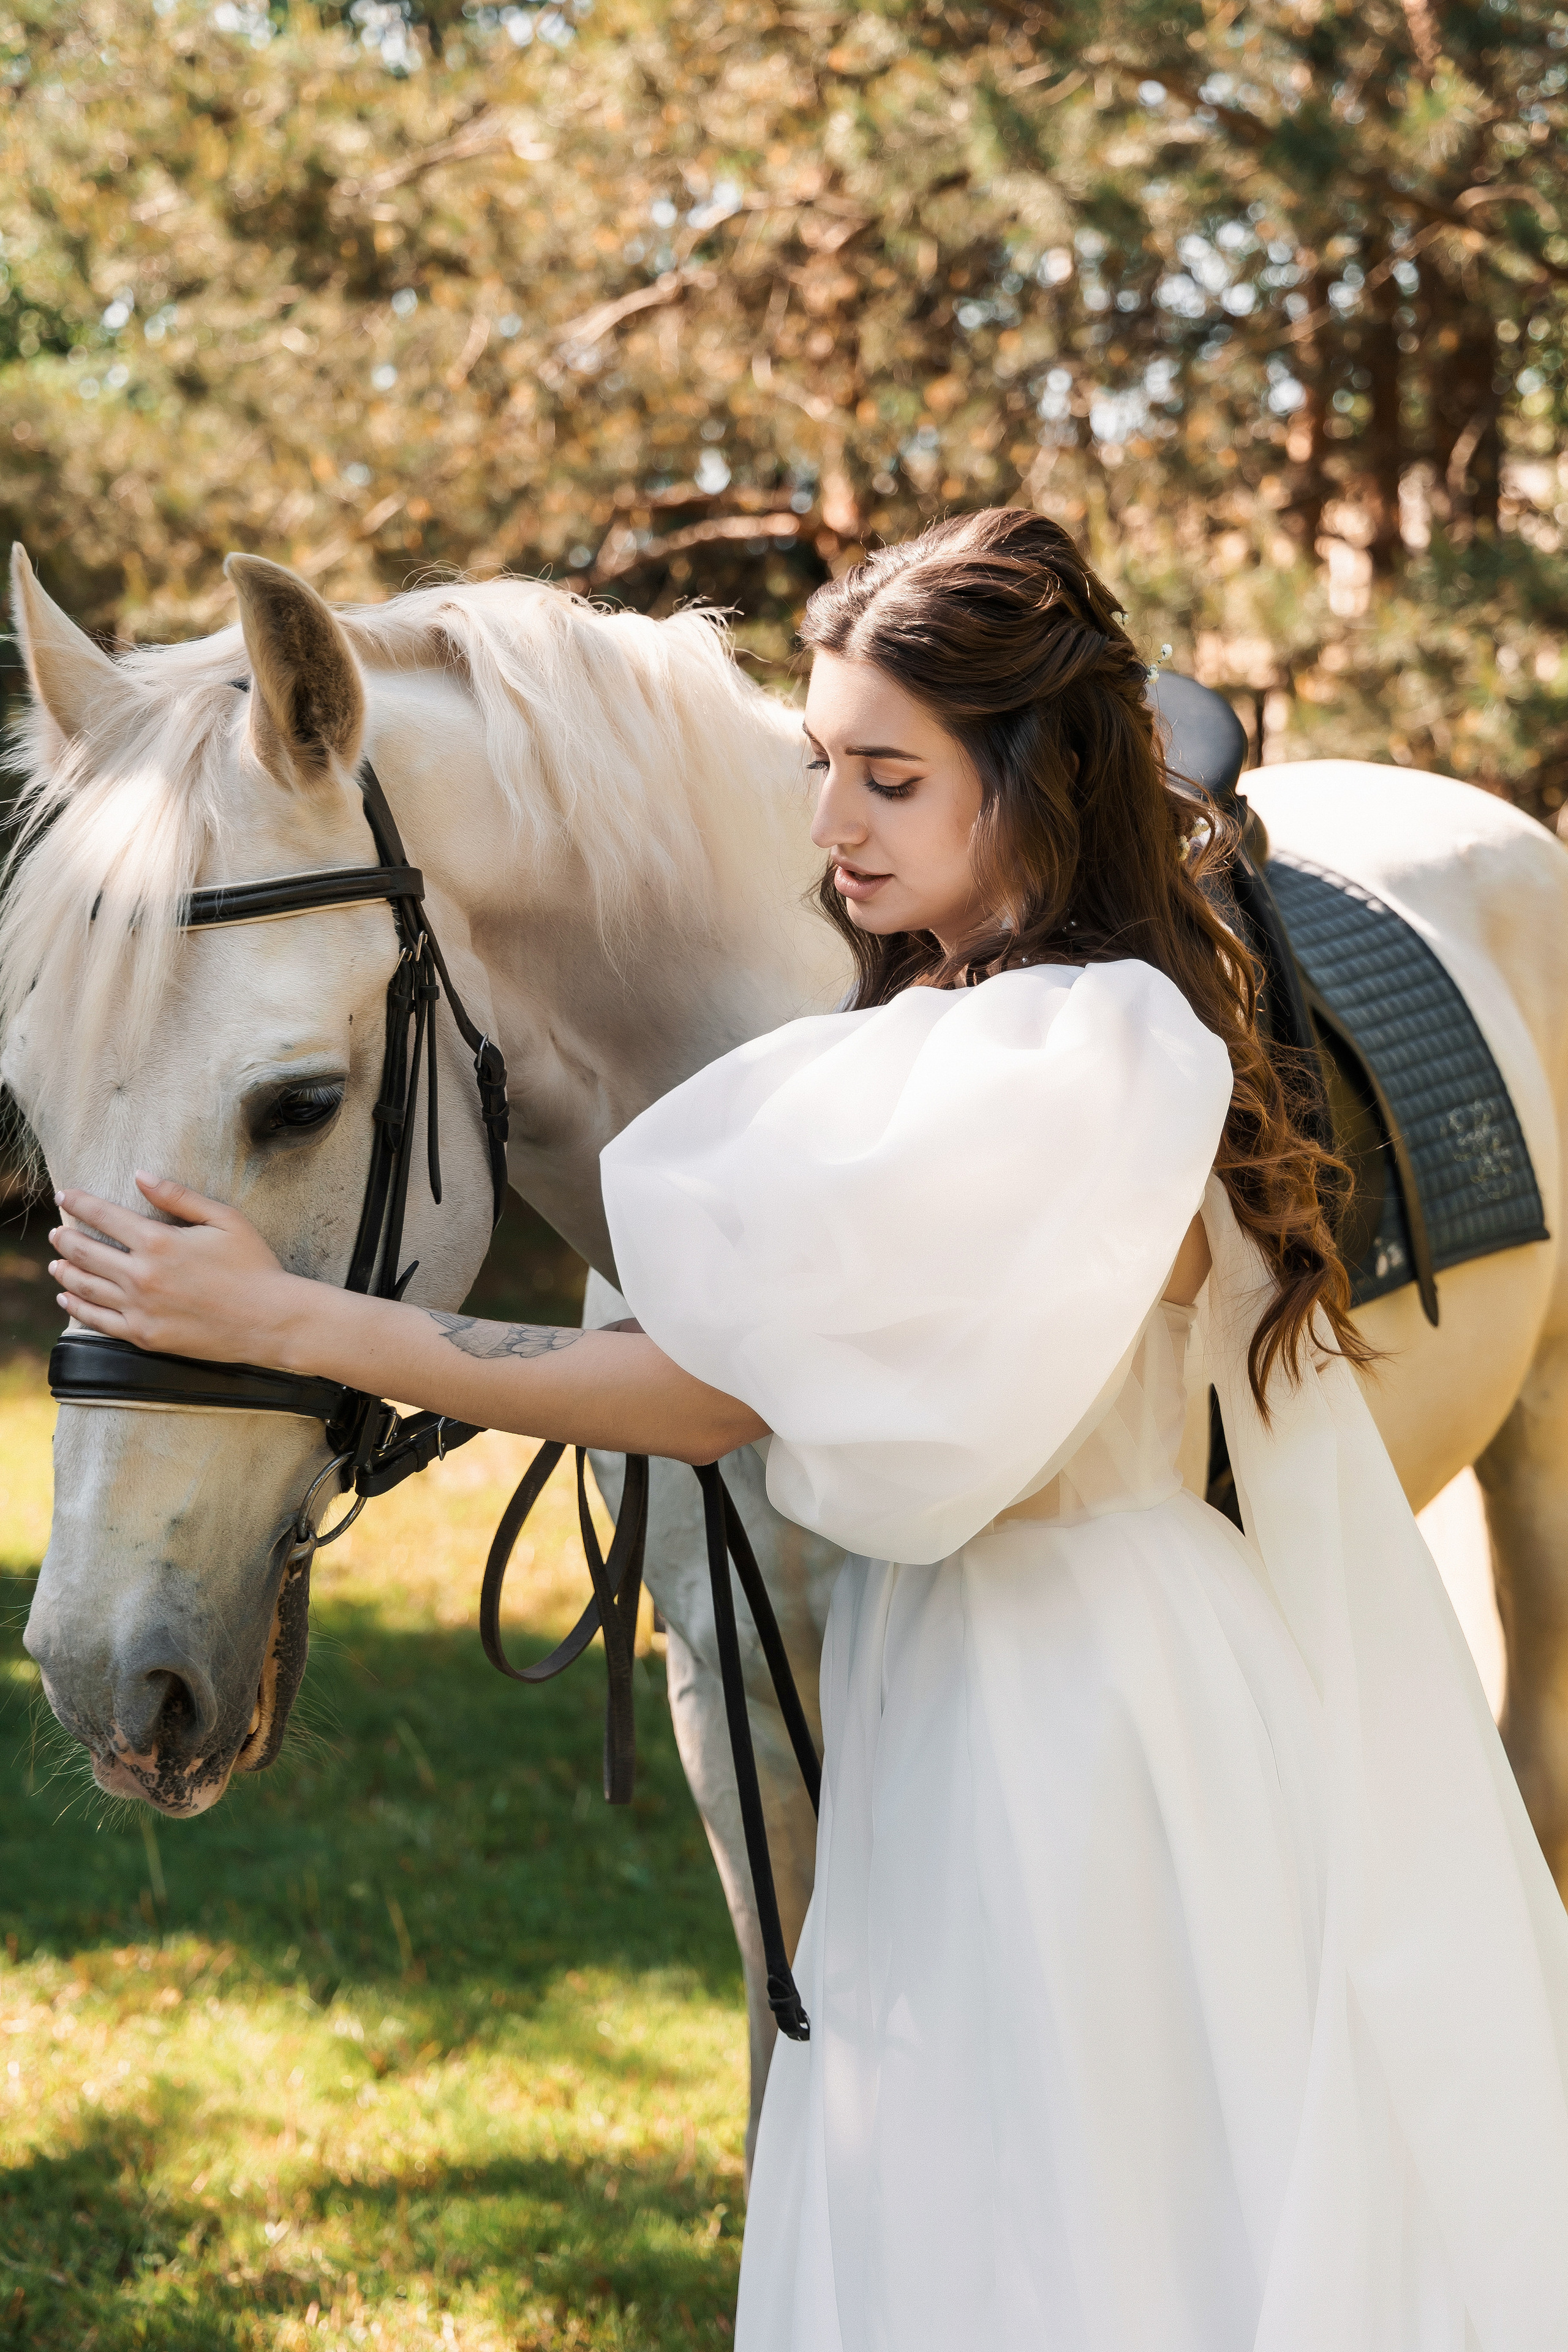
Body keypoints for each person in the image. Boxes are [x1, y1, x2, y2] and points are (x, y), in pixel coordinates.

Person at [49, 509, 1568, 2351]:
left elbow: (712, 1390)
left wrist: (296, 1321)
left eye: (890, 776)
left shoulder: (1078, 1048)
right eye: (817, 764)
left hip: (1078, 1702)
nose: (828, 824)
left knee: (1096, 2185)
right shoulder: (956, 1024)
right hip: (987, 1676)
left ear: (1035, 786)